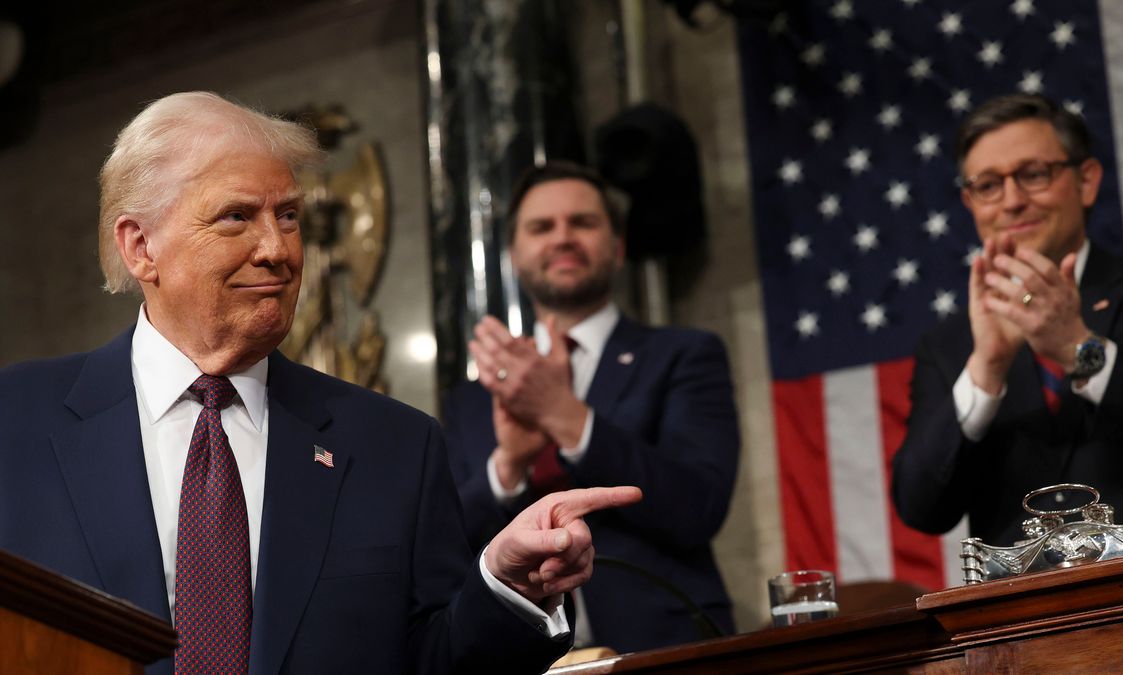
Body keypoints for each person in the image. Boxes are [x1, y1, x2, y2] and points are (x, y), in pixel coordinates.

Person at [0, 92, 642, 675]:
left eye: (287, 216)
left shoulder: (394, 446)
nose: (277, 249)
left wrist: (508, 589)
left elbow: (437, 660)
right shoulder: (17, 423)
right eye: (235, 218)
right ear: (141, 247)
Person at [443, 161, 739, 653]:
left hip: (665, 650)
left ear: (618, 247)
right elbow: (446, 548)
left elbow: (698, 508)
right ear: (515, 256)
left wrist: (567, 416)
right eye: (542, 227)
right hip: (517, 657)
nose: (563, 237)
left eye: (582, 222)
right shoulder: (472, 399)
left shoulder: (684, 355)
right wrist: (509, 465)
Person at [892, 93, 1123, 548]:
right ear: (970, 202)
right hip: (1023, 613)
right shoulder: (950, 344)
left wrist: (1080, 351)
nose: (1011, 201)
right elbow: (921, 507)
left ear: (1087, 181)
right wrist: (986, 370)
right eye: (988, 185)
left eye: (1033, 175)